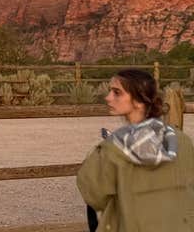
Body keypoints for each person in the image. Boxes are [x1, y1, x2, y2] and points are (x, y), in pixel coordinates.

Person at [76, 69, 194, 232]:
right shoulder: (183, 142)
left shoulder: (114, 148)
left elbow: (94, 196)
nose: (108, 97)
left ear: (139, 100)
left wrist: (94, 156)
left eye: (117, 92)